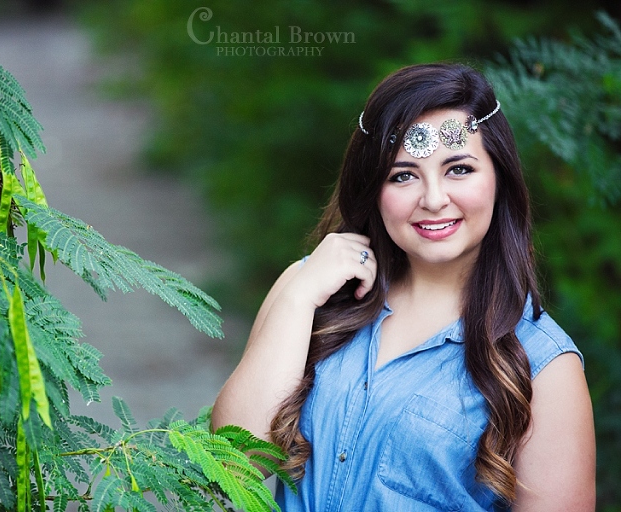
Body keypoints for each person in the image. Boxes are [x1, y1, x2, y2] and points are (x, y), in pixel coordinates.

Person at [211, 63, 595, 511]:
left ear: (499, 177)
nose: (433, 199)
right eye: (403, 175)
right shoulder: (310, 293)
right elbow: (234, 469)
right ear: (374, 188)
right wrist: (298, 296)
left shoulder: (543, 367)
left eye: (459, 169)